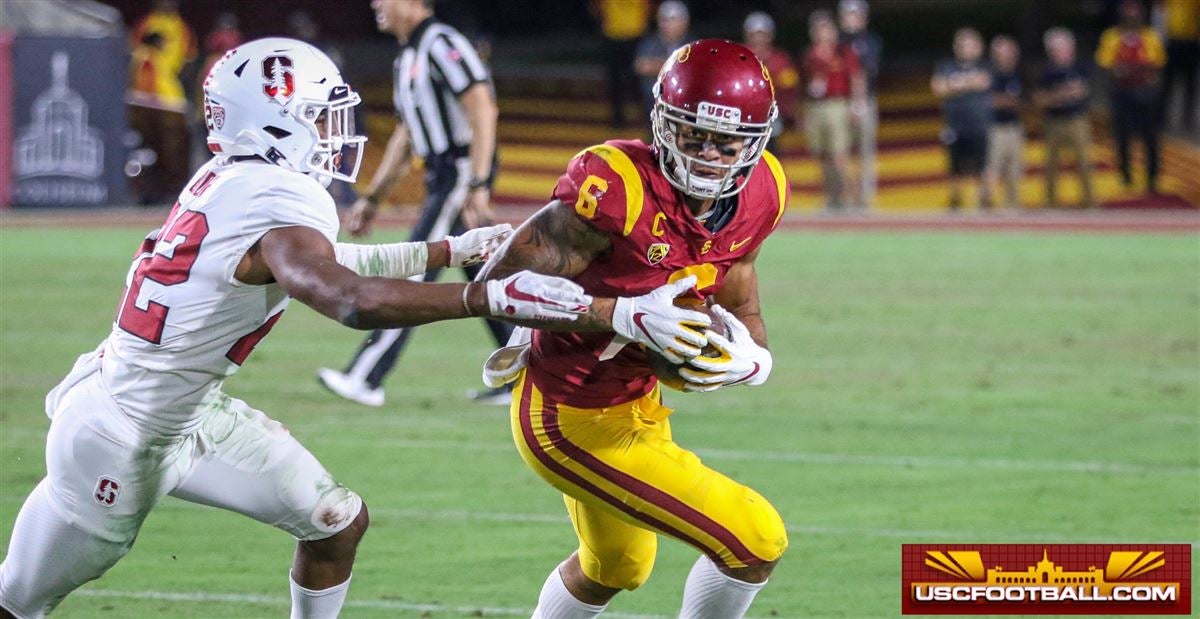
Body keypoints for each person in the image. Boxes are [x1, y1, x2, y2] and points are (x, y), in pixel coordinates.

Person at [0, 37, 600, 619]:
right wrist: (488, 295)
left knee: (336, 521)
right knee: (19, 601)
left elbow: (321, 264)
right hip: (119, 437)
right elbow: (346, 298)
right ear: (274, 122)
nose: (334, 134)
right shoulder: (276, 195)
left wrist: (448, 248)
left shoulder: (229, 178)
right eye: (319, 115)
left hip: (186, 415)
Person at [478, 39, 789, 618]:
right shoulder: (617, 185)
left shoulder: (763, 191)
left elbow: (739, 279)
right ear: (662, 123)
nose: (709, 157)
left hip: (636, 402)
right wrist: (619, 314)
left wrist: (753, 355)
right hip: (566, 411)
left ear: (757, 140)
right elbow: (498, 287)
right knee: (755, 539)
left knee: (617, 564)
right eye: (694, 136)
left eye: (727, 143)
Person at [318, 0, 511, 407]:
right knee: (484, 279)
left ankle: (366, 375)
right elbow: (407, 136)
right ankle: (526, 377)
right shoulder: (407, 57)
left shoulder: (441, 43)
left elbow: (482, 107)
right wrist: (372, 197)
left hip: (458, 172)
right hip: (444, 174)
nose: (375, 5)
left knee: (415, 270)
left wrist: (478, 181)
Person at [127, 0, 197, 205]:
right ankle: (154, 192)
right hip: (157, 107)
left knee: (172, 153)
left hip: (170, 101)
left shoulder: (180, 27)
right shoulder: (146, 53)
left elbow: (188, 59)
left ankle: (167, 190)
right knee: (158, 153)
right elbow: (144, 84)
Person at [1097, 0, 1167, 193]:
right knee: (1122, 137)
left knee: (1151, 138)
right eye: (1128, 14)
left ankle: (1152, 178)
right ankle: (1125, 176)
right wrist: (1118, 71)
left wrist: (1147, 78)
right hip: (1121, 93)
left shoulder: (1150, 36)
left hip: (1145, 93)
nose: (1132, 18)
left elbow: (1158, 64)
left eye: (1135, 14)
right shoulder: (1111, 36)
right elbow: (1105, 64)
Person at [802, 9, 864, 211]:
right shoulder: (810, 55)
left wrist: (856, 105)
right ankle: (832, 197)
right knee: (822, 155)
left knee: (840, 155)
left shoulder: (843, 52)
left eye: (825, 28)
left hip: (838, 104)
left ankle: (853, 199)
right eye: (818, 29)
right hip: (816, 106)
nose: (822, 33)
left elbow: (855, 77)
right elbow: (806, 85)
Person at [931, 28, 992, 211]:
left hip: (978, 125)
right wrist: (967, 83)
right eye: (962, 44)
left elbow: (982, 82)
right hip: (955, 125)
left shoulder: (985, 65)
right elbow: (938, 88)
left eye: (970, 44)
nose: (966, 48)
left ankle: (984, 205)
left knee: (981, 168)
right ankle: (955, 204)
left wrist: (955, 84)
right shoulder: (946, 65)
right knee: (954, 169)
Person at [1036, 28, 1096, 209]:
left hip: (1077, 120)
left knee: (1084, 162)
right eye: (1057, 48)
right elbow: (1040, 100)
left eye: (1065, 47)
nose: (1062, 52)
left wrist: (1056, 96)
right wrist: (1064, 94)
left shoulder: (1080, 67)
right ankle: (1050, 202)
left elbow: (1083, 91)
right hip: (1054, 122)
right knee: (1051, 164)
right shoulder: (1046, 72)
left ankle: (1089, 202)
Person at [838, 0, 883, 208]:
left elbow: (866, 71)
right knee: (841, 151)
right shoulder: (836, 41)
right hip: (840, 102)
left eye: (855, 14)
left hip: (865, 100)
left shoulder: (871, 41)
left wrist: (859, 103)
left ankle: (865, 200)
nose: (851, 18)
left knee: (866, 151)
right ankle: (843, 197)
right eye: (848, 14)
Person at [743, 11, 798, 154]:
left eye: (763, 34)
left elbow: (790, 87)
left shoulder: (780, 59)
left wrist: (789, 111)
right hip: (743, 115)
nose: (759, 38)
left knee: (770, 154)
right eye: (755, 34)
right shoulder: (740, 56)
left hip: (771, 116)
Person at [591, 0, 651, 128]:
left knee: (639, 78)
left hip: (636, 34)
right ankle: (617, 118)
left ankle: (646, 116)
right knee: (614, 79)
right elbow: (595, 6)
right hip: (613, 34)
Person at [986, 35, 1025, 210]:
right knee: (992, 169)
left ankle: (1012, 209)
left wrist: (1009, 102)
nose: (1009, 55)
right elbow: (991, 101)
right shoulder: (991, 75)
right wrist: (1010, 102)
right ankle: (985, 208)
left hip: (1014, 127)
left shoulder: (1016, 74)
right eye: (1004, 52)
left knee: (1014, 171)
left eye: (1011, 51)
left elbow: (1025, 101)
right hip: (995, 128)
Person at [634, 1, 690, 122]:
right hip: (654, 106)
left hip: (686, 108)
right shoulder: (650, 43)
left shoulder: (692, 44)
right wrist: (677, 64)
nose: (669, 25)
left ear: (684, 22)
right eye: (664, 20)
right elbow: (642, 67)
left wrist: (658, 65)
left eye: (673, 20)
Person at [1160, 0, 1198, 132]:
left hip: (1191, 41)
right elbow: (1162, 10)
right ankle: (1162, 116)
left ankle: (1187, 118)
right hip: (1173, 41)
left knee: (1189, 83)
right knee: (1168, 82)